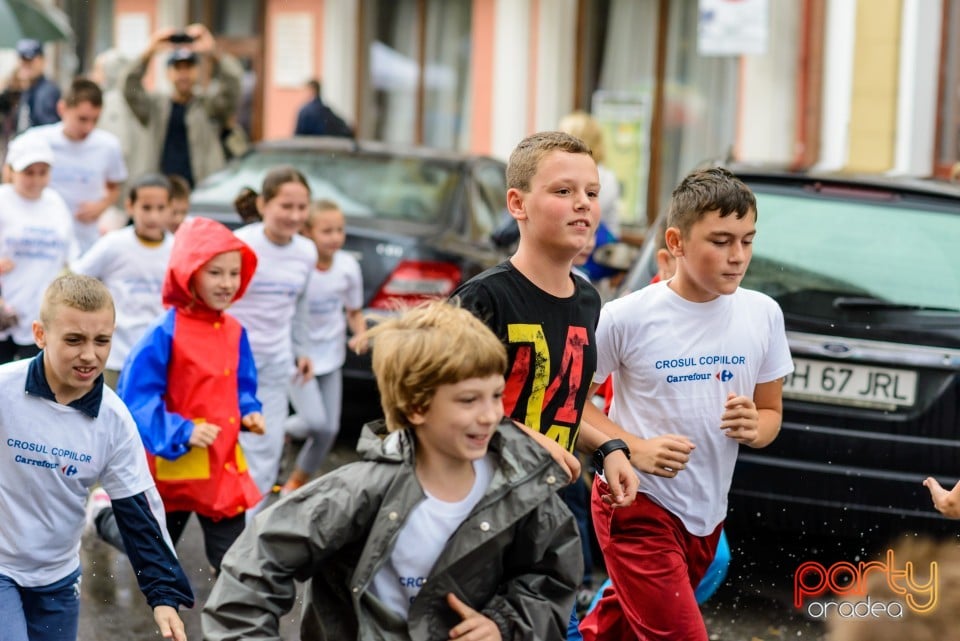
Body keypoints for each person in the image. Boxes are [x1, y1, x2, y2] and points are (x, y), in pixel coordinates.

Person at [202, 299, 582, 641]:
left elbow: (551, 577)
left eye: (496, 395)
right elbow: (251, 571)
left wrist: (503, 624)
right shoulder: (360, 491)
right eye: (469, 400)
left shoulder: (522, 489)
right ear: (416, 408)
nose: (490, 415)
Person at [578, 167, 794, 641]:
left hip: (706, 514)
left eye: (747, 241)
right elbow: (566, 405)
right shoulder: (624, 318)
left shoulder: (762, 314)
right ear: (675, 242)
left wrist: (754, 427)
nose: (738, 257)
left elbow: (771, 415)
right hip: (636, 504)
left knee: (622, 627)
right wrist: (634, 447)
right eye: (720, 241)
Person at [451, 131, 639, 640]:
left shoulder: (587, 302)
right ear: (518, 204)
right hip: (476, 523)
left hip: (549, 520)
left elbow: (562, 406)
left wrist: (612, 448)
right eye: (563, 192)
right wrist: (528, 441)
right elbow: (440, 410)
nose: (583, 204)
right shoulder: (484, 299)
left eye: (592, 193)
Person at [0, 273, 193, 641]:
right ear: (40, 334)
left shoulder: (115, 420)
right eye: (74, 340)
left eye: (101, 340)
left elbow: (140, 512)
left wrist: (164, 594)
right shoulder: (4, 390)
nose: (90, 355)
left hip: (57, 577)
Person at [109, 217, 263, 576]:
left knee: (234, 564)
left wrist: (249, 409)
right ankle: (105, 518)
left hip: (222, 464)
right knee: (153, 554)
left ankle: (233, 626)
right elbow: (136, 399)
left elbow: (242, 382)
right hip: (174, 464)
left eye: (234, 273)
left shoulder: (235, 330)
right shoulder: (164, 331)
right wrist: (182, 430)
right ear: (188, 272)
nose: (227, 283)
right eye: (215, 273)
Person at [227, 166, 317, 516]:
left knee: (265, 451)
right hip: (230, 364)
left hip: (275, 364)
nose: (294, 216)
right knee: (224, 445)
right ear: (263, 204)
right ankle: (222, 523)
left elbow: (300, 305)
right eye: (286, 206)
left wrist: (302, 349)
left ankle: (248, 537)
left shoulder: (307, 252)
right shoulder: (240, 245)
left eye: (301, 207)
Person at [281, 199, 365, 494]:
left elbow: (353, 311)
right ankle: (275, 429)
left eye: (339, 230)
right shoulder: (299, 266)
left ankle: (296, 481)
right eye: (326, 230)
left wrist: (361, 334)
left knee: (328, 430)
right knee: (314, 422)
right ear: (307, 232)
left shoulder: (347, 267)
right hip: (298, 355)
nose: (335, 237)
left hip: (331, 355)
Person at [70, 173, 175, 388]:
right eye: (146, 208)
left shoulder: (178, 250)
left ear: (170, 208)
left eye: (160, 208)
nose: (153, 216)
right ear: (130, 206)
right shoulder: (113, 244)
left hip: (159, 357)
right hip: (114, 356)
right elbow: (77, 277)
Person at [14, 77, 129, 254]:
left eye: (95, 120)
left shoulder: (109, 146)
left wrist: (101, 206)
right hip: (42, 241)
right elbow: (10, 175)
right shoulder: (37, 139)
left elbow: (115, 187)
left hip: (86, 240)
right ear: (62, 109)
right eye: (82, 119)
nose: (88, 127)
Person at [121, 24, 243, 187]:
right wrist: (149, 53)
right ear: (168, 73)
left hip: (201, 190)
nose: (183, 74)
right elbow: (129, 86)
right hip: (163, 193)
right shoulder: (155, 107)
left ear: (197, 71)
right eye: (178, 68)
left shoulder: (209, 106)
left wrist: (213, 52)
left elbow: (233, 84)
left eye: (189, 67)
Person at [0, 135, 76, 364]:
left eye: (42, 172)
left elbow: (71, 256)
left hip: (40, 311)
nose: (36, 180)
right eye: (28, 173)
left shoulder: (55, 203)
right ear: (11, 171)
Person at [0, 39, 61, 136]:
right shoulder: (22, 88)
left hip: (35, 148)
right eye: (22, 60)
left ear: (42, 61)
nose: (25, 64)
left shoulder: (46, 92)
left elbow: (47, 130)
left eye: (29, 60)